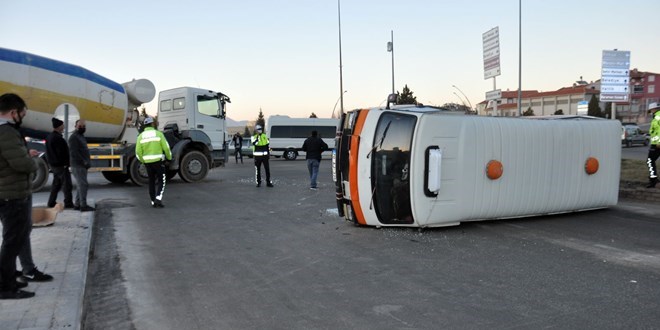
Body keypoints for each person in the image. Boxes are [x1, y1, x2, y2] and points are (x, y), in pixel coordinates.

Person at [0, 93, 37, 299]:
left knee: (11, 241)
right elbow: (21, 163)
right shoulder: (6, 132)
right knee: (12, 242)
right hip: (11, 196)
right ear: (13, 113)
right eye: (22, 114)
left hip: (7, 193)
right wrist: (32, 162)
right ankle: (5, 287)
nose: (22, 117)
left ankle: (10, 279)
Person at [136, 117, 172, 208]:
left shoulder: (140, 136)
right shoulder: (159, 134)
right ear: (152, 124)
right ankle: (158, 199)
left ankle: (153, 201)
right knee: (162, 180)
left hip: (148, 163)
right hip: (158, 162)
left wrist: (143, 161)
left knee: (151, 181)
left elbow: (138, 152)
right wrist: (169, 158)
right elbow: (166, 148)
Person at [46, 117, 74, 208]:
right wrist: (66, 163)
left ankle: (51, 202)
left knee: (56, 184)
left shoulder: (50, 137)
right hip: (60, 165)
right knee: (67, 184)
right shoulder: (57, 138)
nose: (64, 127)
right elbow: (61, 153)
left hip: (54, 165)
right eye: (63, 126)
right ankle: (68, 203)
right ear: (59, 127)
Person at [69, 119, 94, 212]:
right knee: (83, 185)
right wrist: (84, 162)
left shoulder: (81, 136)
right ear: (75, 126)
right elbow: (74, 152)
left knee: (81, 185)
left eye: (84, 126)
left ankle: (77, 204)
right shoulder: (74, 137)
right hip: (78, 165)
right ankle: (83, 205)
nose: (82, 128)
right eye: (80, 126)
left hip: (82, 165)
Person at [646, 102, 660, 188]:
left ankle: (654, 180)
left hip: (657, 144)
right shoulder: (656, 117)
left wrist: (659, 142)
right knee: (650, 161)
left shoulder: (658, 117)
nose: (650, 112)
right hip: (656, 143)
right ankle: (654, 180)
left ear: (654, 109)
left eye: (651, 110)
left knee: (650, 161)